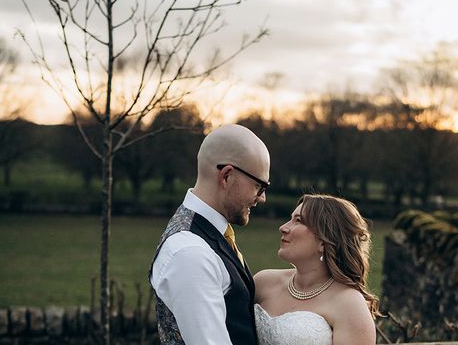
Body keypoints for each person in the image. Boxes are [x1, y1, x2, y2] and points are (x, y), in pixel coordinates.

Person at [149, 124, 270, 345]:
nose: (262, 198)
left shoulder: (210, 234)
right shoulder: (190, 253)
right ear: (227, 176)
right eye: (258, 186)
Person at [254, 194, 379, 345]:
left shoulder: (349, 304)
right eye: (290, 219)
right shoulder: (263, 282)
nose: (283, 227)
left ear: (324, 241)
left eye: (298, 221)